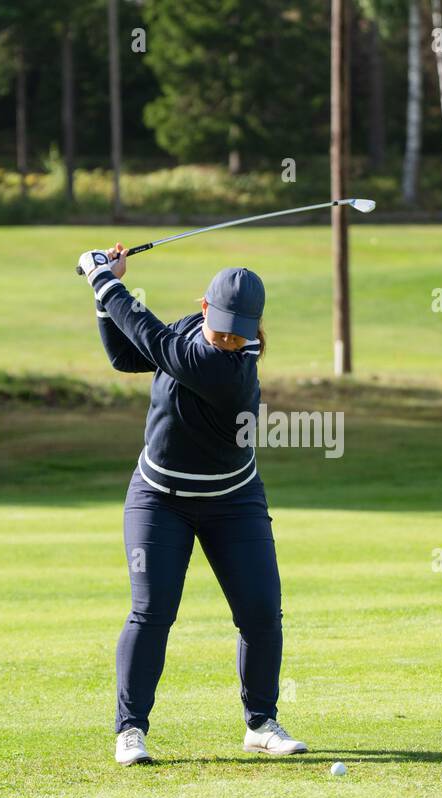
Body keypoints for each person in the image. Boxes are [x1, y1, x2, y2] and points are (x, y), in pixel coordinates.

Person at [78, 243, 308, 767]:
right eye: (223, 324)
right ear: (204, 308)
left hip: (233, 500)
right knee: (152, 612)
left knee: (260, 612)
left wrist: (102, 280)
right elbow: (128, 353)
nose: (231, 337)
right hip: (160, 499)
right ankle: (130, 729)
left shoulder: (230, 366)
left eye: (241, 329)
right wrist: (105, 295)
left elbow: (153, 338)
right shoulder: (186, 333)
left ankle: (261, 723)